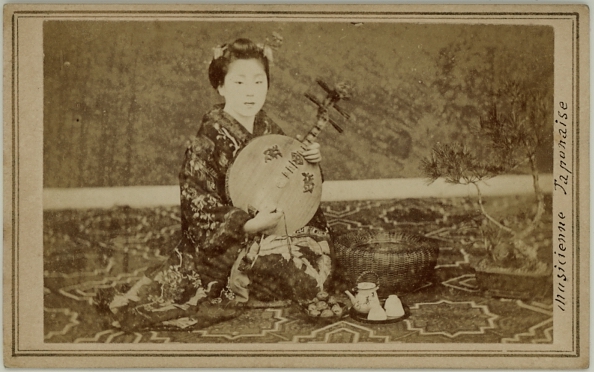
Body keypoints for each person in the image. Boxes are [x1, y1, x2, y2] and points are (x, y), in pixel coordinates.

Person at [102, 38, 333, 331]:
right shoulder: (207, 139)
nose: (250, 92)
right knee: (283, 269)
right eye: (239, 83)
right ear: (221, 86)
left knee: (319, 255)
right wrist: (248, 226)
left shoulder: (268, 129)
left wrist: (311, 159)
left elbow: (293, 183)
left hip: (271, 224)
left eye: (258, 82)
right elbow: (196, 207)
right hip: (228, 242)